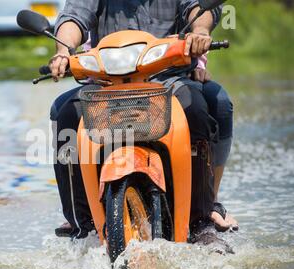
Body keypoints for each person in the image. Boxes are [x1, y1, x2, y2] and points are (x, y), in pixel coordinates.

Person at [49, 0, 238, 239]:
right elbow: (75, 15)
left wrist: (199, 32)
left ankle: (202, 219)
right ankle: (81, 222)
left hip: (168, 80)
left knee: (199, 109)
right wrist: (64, 50)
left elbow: (197, 8)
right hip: (106, 84)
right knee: (66, 113)